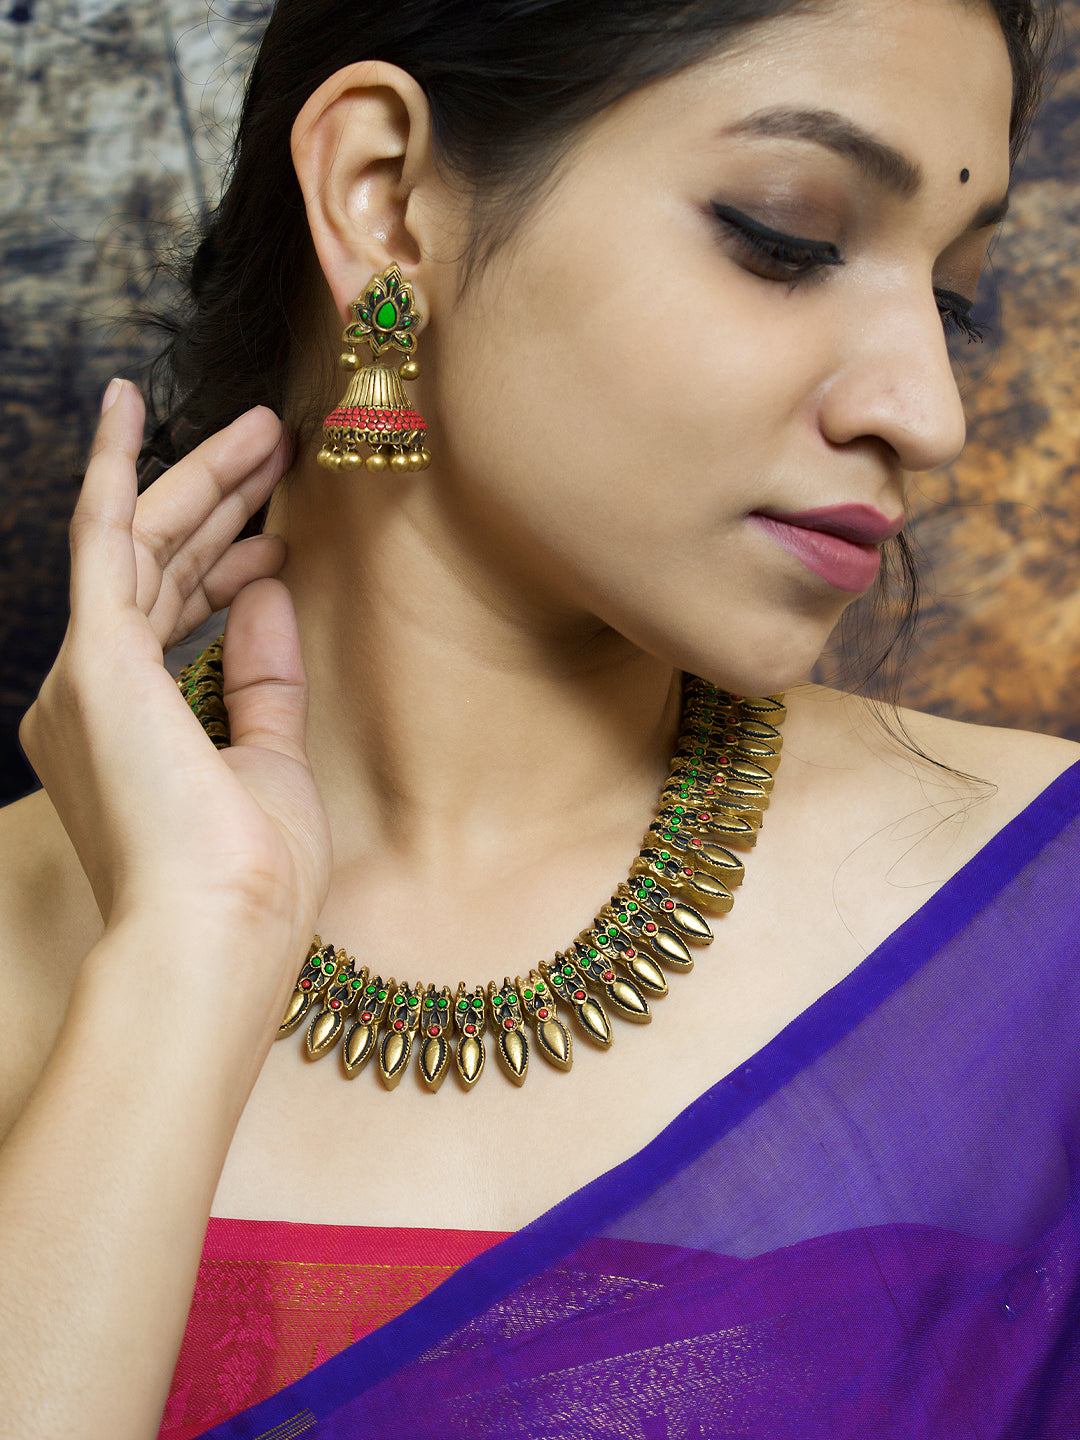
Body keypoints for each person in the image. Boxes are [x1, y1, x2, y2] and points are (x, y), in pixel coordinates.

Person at [1, 0, 1077, 1435]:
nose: (929, 414)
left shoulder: (1041, 928)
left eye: (951, 300)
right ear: (384, 202)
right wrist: (187, 953)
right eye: (785, 236)